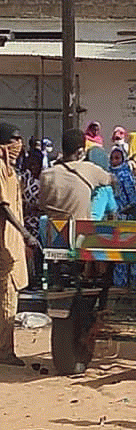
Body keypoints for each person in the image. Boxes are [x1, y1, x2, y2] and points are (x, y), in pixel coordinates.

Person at [0, 123, 39, 365]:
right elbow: (3, 206)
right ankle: (5, 351)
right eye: (14, 140)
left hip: (10, 242)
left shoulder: (11, 171)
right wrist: (25, 233)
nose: (18, 145)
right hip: (5, 244)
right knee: (7, 296)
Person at [39, 128, 113, 220]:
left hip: (52, 230)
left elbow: (42, 205)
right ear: (80, 151)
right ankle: (114, 217)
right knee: (105, 189)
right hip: (80, 229)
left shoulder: (46, 174)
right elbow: (111, 179)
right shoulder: (89, 169)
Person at [109, 146, 136, 288]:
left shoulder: (126, 175)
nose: (114, 161)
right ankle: (120, 284)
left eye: (117, 158)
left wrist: (129, 213)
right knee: (118, 255)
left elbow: (133, 199)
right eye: (112, 158)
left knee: (130, 253)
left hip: (126, 218)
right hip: (114, 218)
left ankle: (132, 282)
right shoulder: (108, 174)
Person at [20, 150, 43, 289]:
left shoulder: (44, 180)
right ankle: (28, 278)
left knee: (37, 251)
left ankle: (35, 277)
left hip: (38, 221)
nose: (33, 166)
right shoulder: (22, 178)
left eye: (36, 163)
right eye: (31, 163)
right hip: (24, 220)